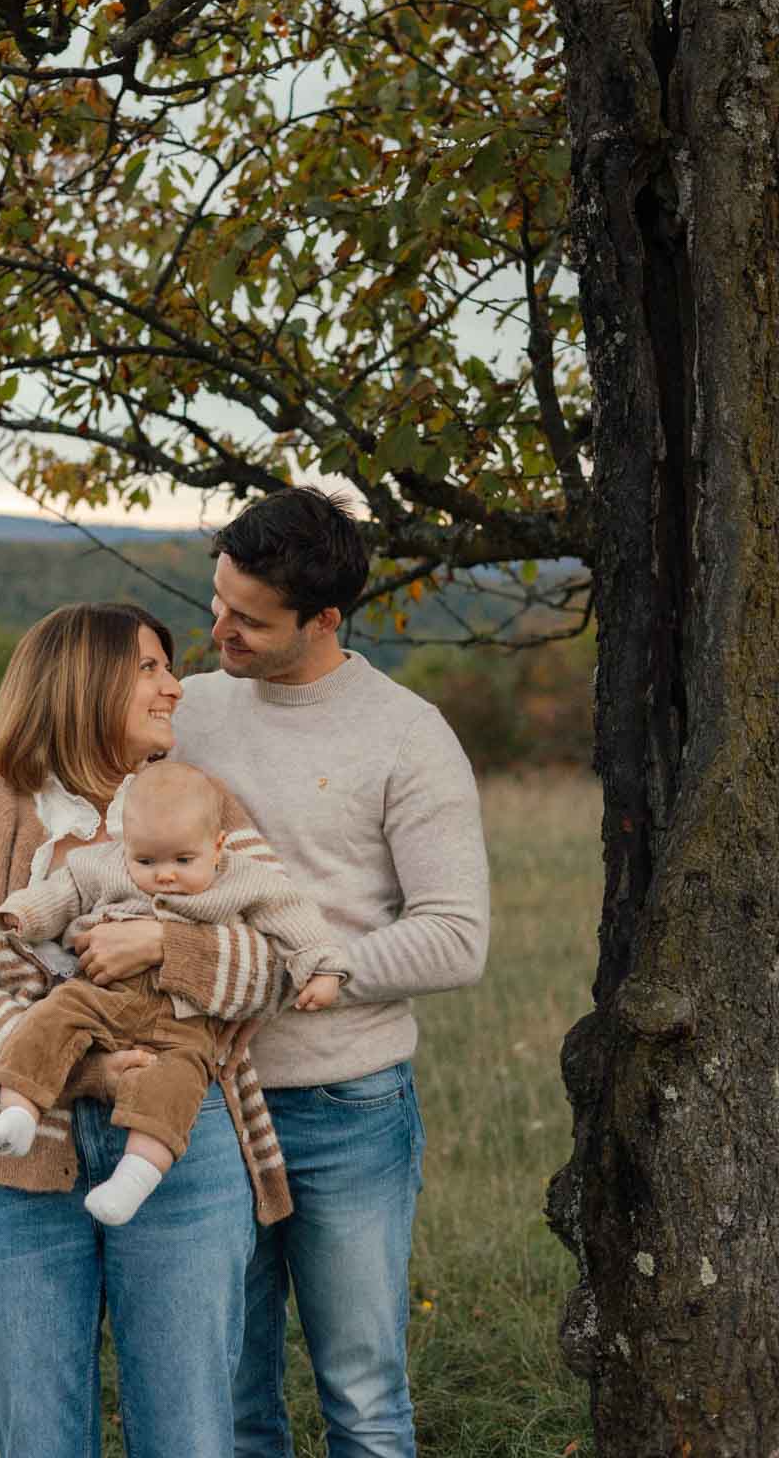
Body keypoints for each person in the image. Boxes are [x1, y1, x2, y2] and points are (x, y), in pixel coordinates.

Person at [0, 602, 291, 1458]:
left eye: (169, 666)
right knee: (39, 1438)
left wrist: (169, 944)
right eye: (151, 667)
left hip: (179, 1153)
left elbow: (274, 964)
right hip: (18, 1158)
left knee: (189, 1433)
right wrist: (76, 1069)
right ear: (84, 683)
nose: (174, 685)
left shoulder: (201, 801)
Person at [170, 486, 490, 1458]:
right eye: (216, 600)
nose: (217, 629)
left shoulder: (406, 734)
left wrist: (300, 970)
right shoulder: (186, 711)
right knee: (227, 1399)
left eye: (247, 619)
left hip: (347, 1105)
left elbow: (455, 935)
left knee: (361, 1397)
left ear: (322, 619)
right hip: (208, 1099)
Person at [0, 760, 348, 1226]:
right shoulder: (103, 864)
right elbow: (64, 891)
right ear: (125, 845)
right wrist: (25, 915)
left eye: (182, 861)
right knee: (51, 1018)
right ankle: (20, 1110)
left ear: (216, 848)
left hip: (187, 1017)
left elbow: (295, 920)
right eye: (146, 861)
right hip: (104, 994)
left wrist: (324, 970)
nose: (164, 876)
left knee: (177, 1081)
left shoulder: (244, 877)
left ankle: (135, 1177)